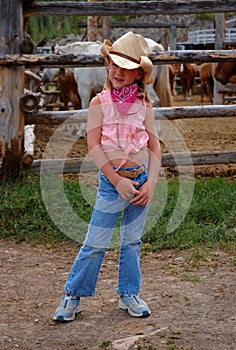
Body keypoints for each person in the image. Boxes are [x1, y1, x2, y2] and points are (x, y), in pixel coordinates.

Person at [53, 31, 161, 322]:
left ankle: (128, 293)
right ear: (107, 66)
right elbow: (93, 146)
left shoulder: (144, 106)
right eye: (114, 65)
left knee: (132, 242)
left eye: (126, 67)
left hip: (139, 181)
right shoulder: (99, 104)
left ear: (139, 73)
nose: (117, 72)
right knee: (95, 242)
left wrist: (150, 183)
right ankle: (73, 295)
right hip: (113, 184)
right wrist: (116, 180)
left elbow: (154, 147)